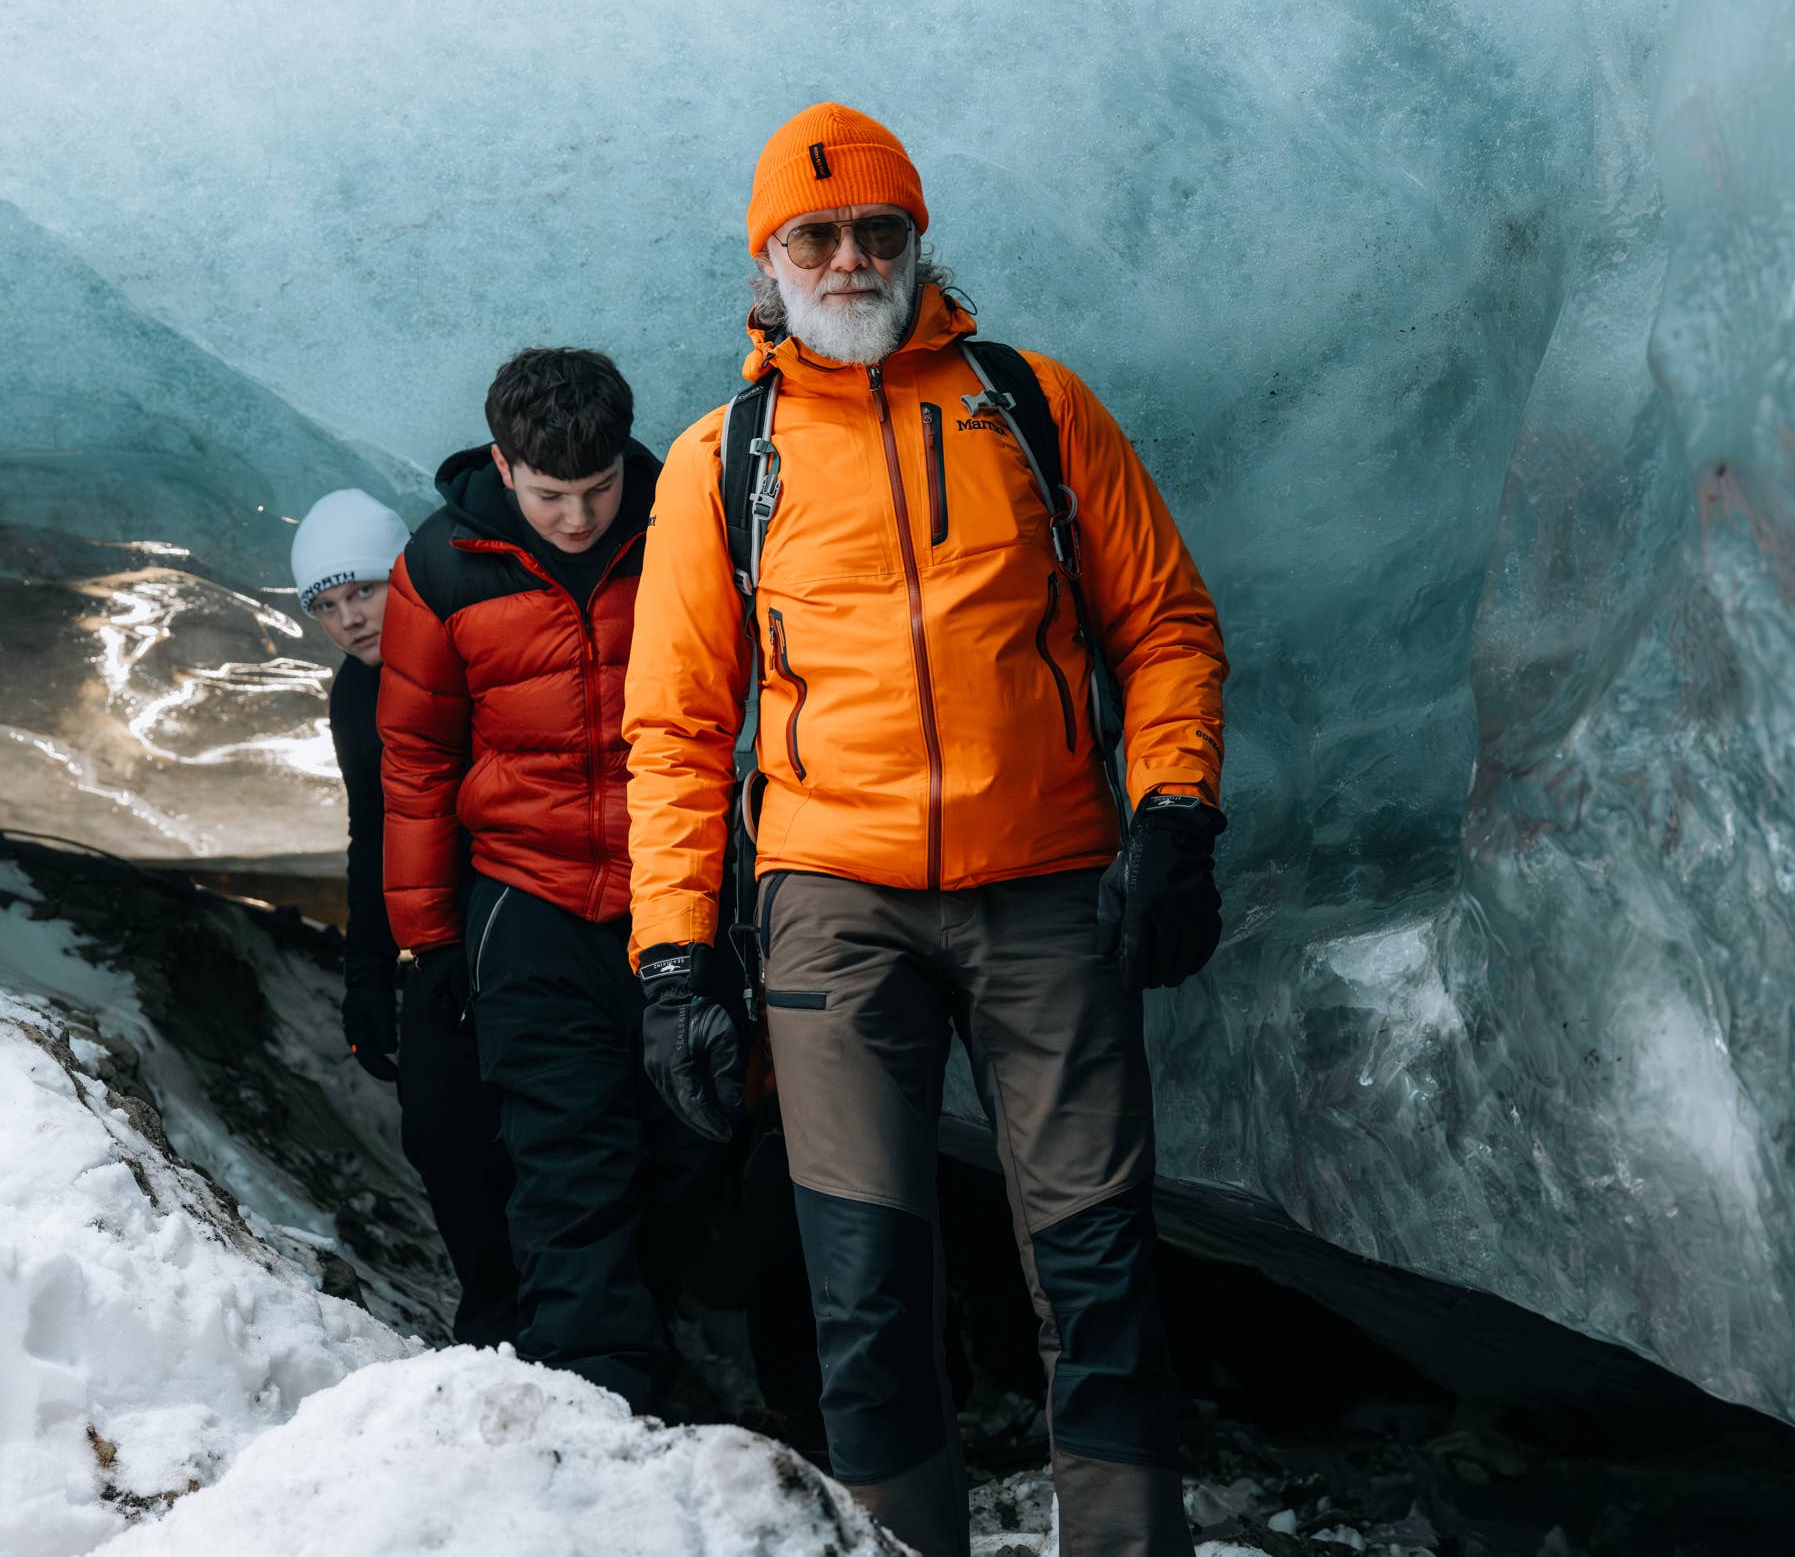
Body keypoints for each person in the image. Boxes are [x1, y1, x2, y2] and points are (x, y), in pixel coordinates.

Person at [623, 103, 1229, 1557]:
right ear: (767, 261)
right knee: (867, 1287)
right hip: (833, 900)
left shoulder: (1032, 403)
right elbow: (678, 726)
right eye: (814, 236)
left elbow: (1164, 624)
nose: (849, 258)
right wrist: (673, 957)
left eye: (877, 229)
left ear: (918, 239)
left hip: (1048, 884)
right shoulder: (724, 459)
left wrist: (1174, 808)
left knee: (1098, 1268)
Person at [378, 349, 721, 1414]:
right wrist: (429, 940)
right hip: (528, 903)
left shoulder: (687, 527)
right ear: (502, 465)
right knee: (568, 1157)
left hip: (681, 889)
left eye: (598, 489)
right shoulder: (441, 566)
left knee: (691, 1146)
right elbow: (415, 760)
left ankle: (643, 1356)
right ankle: (598, 1400)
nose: (576, 518)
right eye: (548, 495)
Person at [292, 487, 521, 1350]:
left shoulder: (474, 647)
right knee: (439, 1132)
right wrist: (366, 976)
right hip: (437, 944)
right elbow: (374, 834)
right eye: (326, 605)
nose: (349, 618)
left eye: (363, 591)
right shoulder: (355, 696)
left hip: (523, 918)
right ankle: (496, 1325)